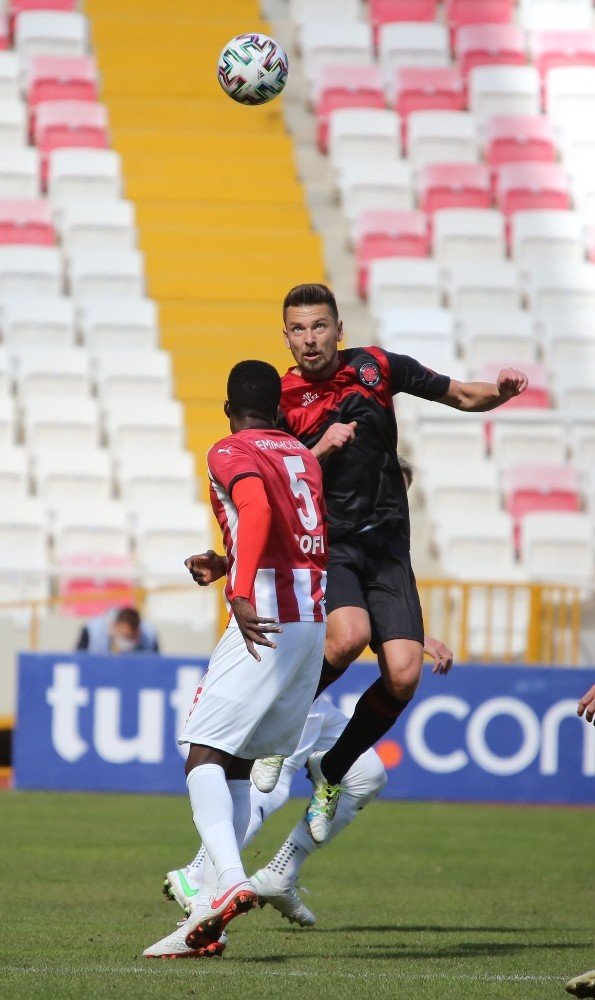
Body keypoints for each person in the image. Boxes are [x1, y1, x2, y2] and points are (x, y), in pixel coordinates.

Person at [166, 457, 453, 953]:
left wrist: (410, 634)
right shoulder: (322, 516)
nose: (389, 503)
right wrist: (225, 563)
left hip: (308, 682)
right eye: (386, 488)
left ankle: (278, 874)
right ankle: (199, 880)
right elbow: (286, 552)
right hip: (289, 673)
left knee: (365, 775)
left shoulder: (374, 537)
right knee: (258, 786)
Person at [274, 282, 528, 842]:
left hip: (388, 543)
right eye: (298, 329)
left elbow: (460, 394)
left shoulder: (378, 367)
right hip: (331, 543)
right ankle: (276, 724)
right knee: (346, 637)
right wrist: (319, 451)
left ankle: (330, 770)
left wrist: (500, 394)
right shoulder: (281, 400)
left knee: (405, 673)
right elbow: (269, 483)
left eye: (319, 326)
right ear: (286, 337)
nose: (310, 339)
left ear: (339, 329)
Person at [143, 360, 328, 960]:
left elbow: (257, 511)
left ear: (230, 408)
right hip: (310, 622)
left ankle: (224, 884)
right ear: (279, 407)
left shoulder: (229, 449)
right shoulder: (301, 454)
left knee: (201, 750)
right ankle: (207, 918)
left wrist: (239, 590)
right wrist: (228, 561)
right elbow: (287, 530)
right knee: (243, 763)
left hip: (266, 619)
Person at [75, 606, 159, 654]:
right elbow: (79, 661)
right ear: (113, 627)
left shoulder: (149, 635)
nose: (127, 641)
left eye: (131, 637)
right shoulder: (92, 631)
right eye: (124, 636)